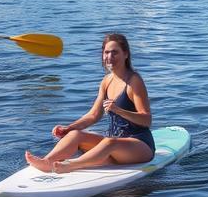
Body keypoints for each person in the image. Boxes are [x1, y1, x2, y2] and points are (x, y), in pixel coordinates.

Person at [24, 33, 155, 173]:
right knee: (76, 135)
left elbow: (146, 120)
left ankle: (71, 165)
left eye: (115, 52)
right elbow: (93, 115)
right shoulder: (106, 81)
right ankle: (47, 162)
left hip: (140, 145)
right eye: (106, 52)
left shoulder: (134, 81)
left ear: (126, 54)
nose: (109, 57)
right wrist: (69, 128)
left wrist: (119, 110)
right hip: (114, 143)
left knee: (109, 142)